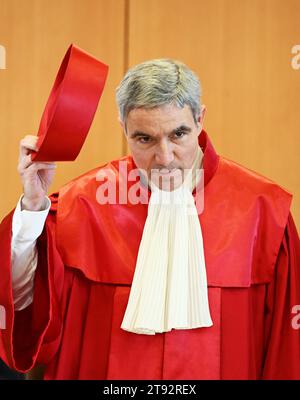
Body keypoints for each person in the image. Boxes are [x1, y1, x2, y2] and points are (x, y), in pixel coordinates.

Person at [0, 59, 299, 380]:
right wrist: (32, 207)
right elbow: (27, 310)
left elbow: (287, 347)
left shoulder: (263, 209)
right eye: (145, 139)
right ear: (123, 128)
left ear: (200, 119)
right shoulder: (82, 204)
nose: (165, 157)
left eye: (179, 134)